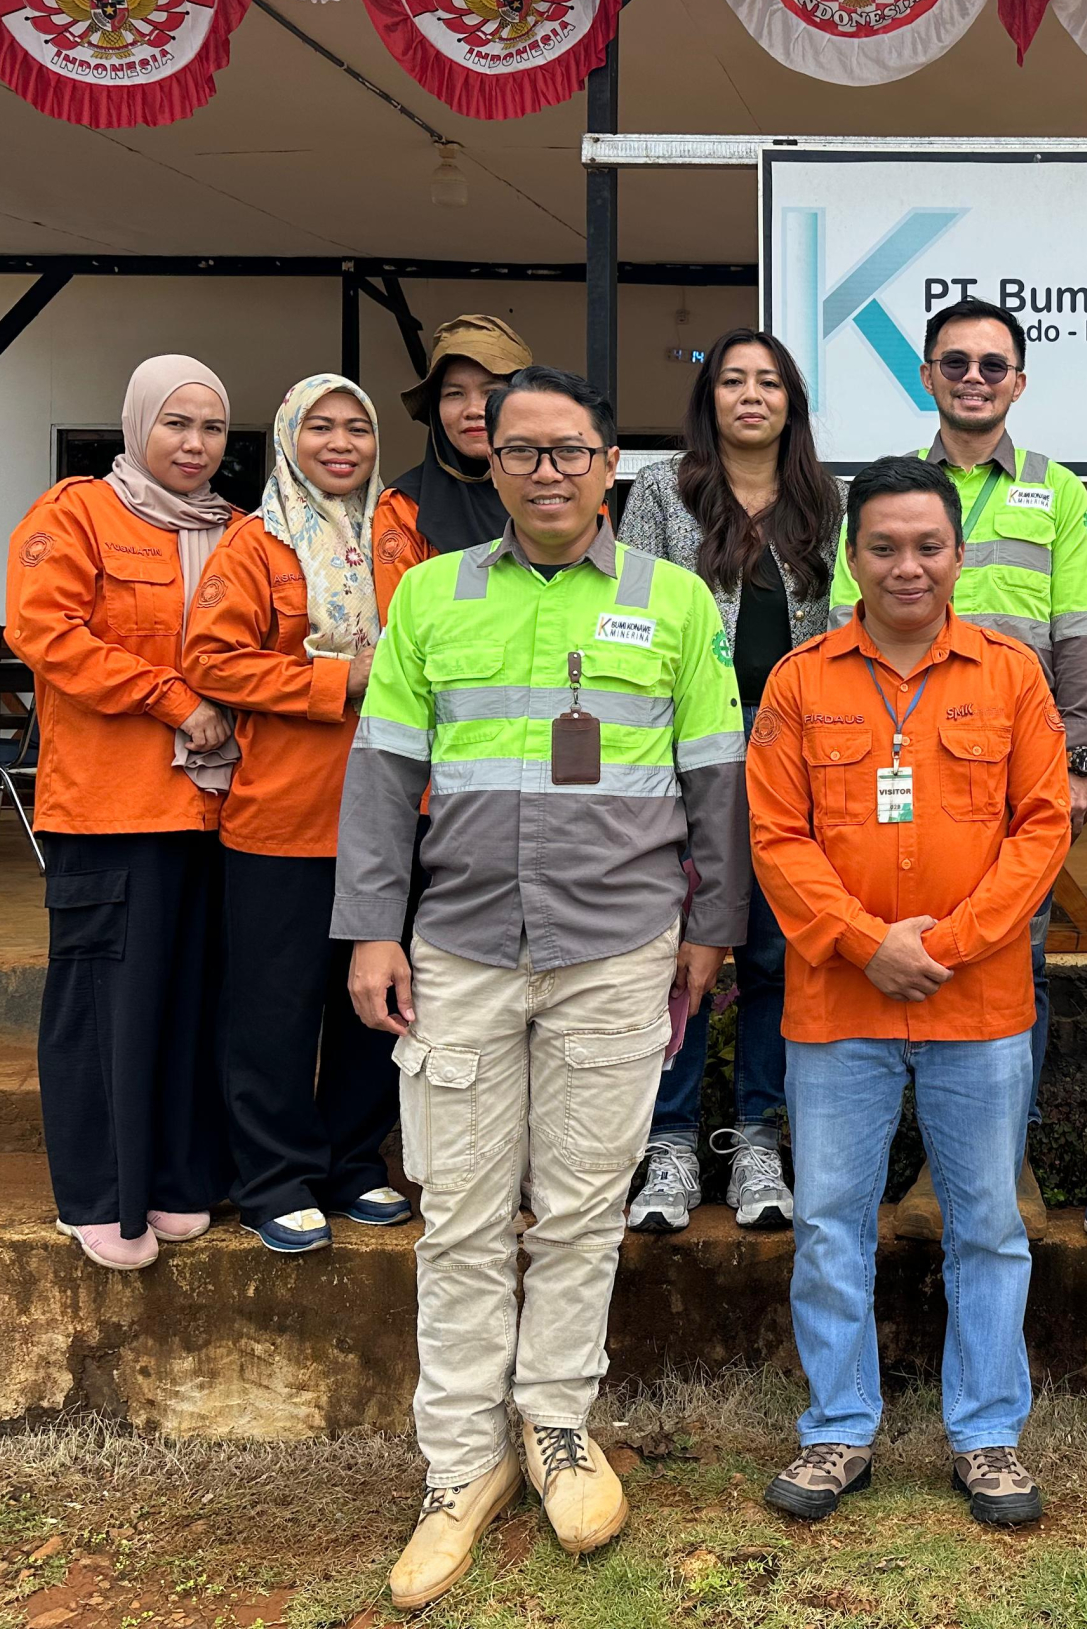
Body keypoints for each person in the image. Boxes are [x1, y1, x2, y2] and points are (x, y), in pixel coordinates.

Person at [334, 366, 749, 1611]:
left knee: (577, 1211)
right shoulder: (431, 596)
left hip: (619, 947)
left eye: (569, 451)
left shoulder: (673, 603)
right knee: (458, 1218)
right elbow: (379, 771)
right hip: (457, 945)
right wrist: (371, 930)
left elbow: (716, 779)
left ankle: (558, 1427)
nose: (547, 472)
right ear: (493, 465)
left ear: (608, 462)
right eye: (522, 453)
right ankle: (461, 1465)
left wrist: (710, 929)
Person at [745, 456, 1070, 1530]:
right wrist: (862, 941)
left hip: (977, 1009)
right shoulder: (800, 681)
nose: (906, 565)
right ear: (852, 555)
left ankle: (987, 1437)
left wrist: (953, 943)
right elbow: (776, 836)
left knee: (987, 1225)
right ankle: (838, 1428)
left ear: (958, 555)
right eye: (882, 545)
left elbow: (1042, 829)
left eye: (927, 545)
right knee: (832, 1223)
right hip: (839, 1008)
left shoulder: (1010, 675)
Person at [828, 298, 1087, 1243]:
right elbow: (840, 622)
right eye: (957, 362)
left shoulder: (1059, 492)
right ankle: (919, 1170)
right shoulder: (883, 491)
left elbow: (1083, 630)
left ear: (1018, 382)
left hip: (1009, 766)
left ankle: (999, 1163)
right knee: (882, 959)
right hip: (892, 756)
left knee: (1005, 963)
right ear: (929, 377)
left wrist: (1073, 758)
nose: (975, 377)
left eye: (994, 364)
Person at [5, 355, 239, 1273]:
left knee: (190, 1000)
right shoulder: (75, 515)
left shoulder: (238, 531)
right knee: (106, 1000)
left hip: (212, 809)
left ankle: (179, 1179)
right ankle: (100, 1194)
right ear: (138, 422)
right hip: (108, 805)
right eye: (177, 423)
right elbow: (47, 632)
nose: (194, 444)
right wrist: (172, 698)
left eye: (213, 428)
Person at [619, 328, 841, 1238]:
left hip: (796, 758)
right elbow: (625, 614)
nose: (751, 395)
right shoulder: (661, 494)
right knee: (681, 953)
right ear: (708, 398)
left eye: (770, 382)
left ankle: (756, 1136)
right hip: (686, 756)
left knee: (774, 957)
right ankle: (668, 1143)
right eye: (733, 381)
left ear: (792, 400)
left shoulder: (829, 500)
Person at [182, 375, 407, 1255]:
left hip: (391, 810)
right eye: (321, 427)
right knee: (275, 1007)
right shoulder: (255, 542)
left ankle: (353, 1163)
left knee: (378, 1001)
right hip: (284, 814)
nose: (341, 442)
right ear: (287, 437)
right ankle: (274, 1177)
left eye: (358, 426)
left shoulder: (400, 533)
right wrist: (335, 680)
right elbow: (213, 662)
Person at [370, 313, 534, 615]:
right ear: (435, 407)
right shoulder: (403, 509)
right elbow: (403, 634)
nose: (473, 410)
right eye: (454, 394)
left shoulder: (569, 493)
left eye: (492, 393)